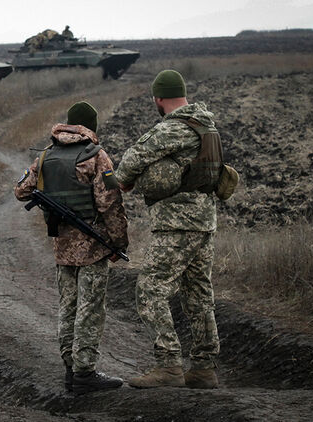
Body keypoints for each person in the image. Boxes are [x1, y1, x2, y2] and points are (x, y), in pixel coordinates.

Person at [114, 70, 221, 389]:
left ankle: (169, 365)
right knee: (198, 294)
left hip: (177, 223)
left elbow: (131, 160)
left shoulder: (173, 128)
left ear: (158, 98)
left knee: (149, 290)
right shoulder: (207, 125)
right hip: (204, 221)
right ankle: (204, 368)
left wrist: (124, 181)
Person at [15, 102, 129, 394]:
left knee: (68, 307)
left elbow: (21, 191)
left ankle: (70, 368)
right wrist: (118, 241)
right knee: (90, 309)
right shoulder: (95, 155)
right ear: (91, 126)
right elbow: (110, 204)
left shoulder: (46, 155)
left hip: (62, 248)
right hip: (93, 248)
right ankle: (84, 373)